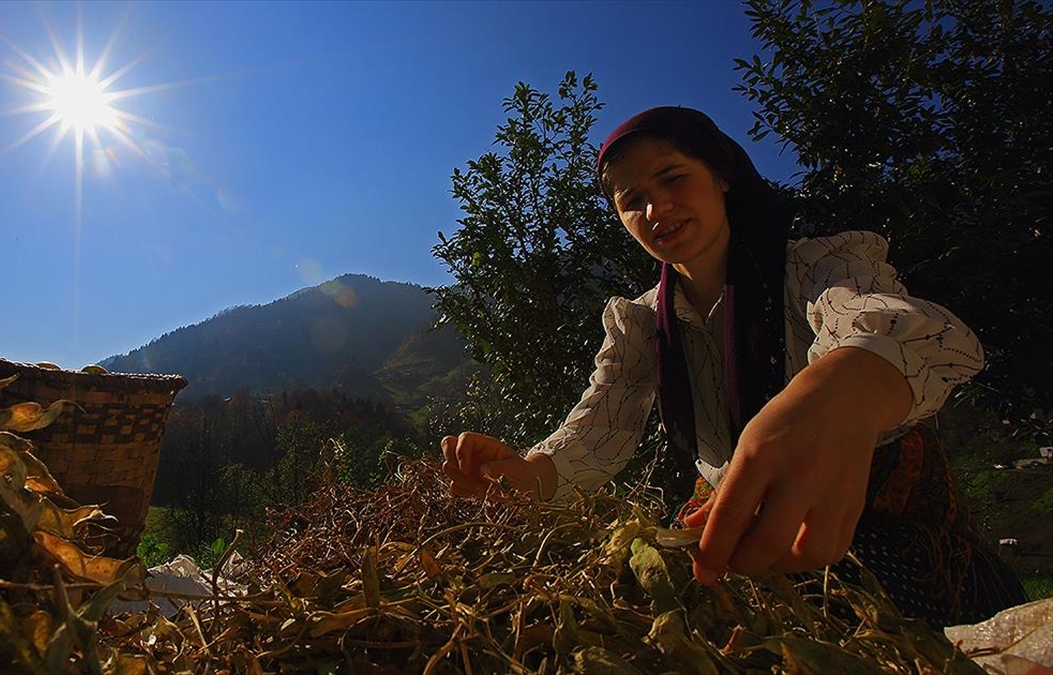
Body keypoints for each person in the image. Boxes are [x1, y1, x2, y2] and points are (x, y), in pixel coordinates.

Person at [440, 106, 1027, 627]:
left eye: (672, 178)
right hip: (736, 528)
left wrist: (841, 389)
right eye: (630, 201)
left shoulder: (818, 267)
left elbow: (898, 328)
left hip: (878, 522)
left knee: (877, 623)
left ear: (721, 176)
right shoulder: (641, 323)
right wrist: (528, 474)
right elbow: (599, 426)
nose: (656, 207)